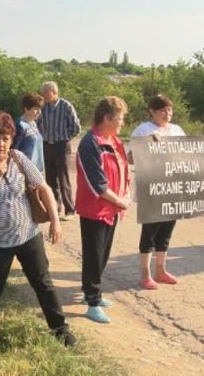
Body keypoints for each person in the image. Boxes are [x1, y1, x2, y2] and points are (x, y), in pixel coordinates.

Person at [0, 112, 75, 346]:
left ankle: (61, 330)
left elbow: (43, 187)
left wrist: (54, 220)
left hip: (28, 235)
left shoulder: (18, 158)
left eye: (5, 138)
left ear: (12, 140)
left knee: (43, 284)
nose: (0, 144)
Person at [75, 96, 130, 323]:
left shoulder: (114, 141)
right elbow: (96, 184)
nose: (122, 123)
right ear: (106, 118)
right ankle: (92, 302)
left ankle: (93, 291)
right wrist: (119, 199)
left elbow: (125, 168)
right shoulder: (90, 144)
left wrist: (125, 195)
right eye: (120, 119)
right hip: (94, 210)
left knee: (103, 255)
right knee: (93, 256)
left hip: (112, 209)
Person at [130, 94, 186, 290]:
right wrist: (146, 143)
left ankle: (161, 270)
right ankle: (145, 273)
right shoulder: (143, 130)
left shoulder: (177, 130)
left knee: (166, 230)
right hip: (152, 187)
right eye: (162, 110)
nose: (167, 113)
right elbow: (130, 158)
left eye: (169, 109)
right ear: (152, 111)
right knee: (150, 231)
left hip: (172, 186)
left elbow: (189, 153)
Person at [37, 81, 81, 221]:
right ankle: (55, 208)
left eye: (46, 93)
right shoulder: (43, 107)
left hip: (61, 145)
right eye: (43, 93)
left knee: (63, 178)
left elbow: (76, 127)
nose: (44, 95)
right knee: (50, 179)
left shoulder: (66, 106)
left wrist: (65, 138)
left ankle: (70, 209)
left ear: (54, 92)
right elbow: (37, 124)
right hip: (46, 145)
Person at [12, 93, 46, 176]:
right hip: (25, 173)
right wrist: (22, 172)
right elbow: (13, 151)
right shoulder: (20, 125)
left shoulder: (34, 124)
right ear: (26, 109)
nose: (39, 112)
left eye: (39, 109)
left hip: (37, 171)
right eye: (35, 109)